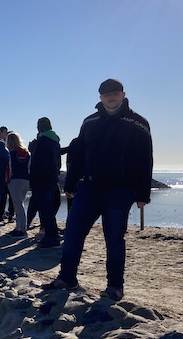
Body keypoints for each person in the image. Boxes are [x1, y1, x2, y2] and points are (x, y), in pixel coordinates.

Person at [44, 79, 153, 302]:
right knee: (73, 233)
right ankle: (67, 278)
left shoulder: (138, 123)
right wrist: (71, 184)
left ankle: (114, 287)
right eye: (106, 95)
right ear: (100, 97)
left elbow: (145, 160)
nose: (110, 98)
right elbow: (78, 156)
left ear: (123, 94)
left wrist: (143, 194)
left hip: (120, 190)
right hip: (89, 187)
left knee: (114, 238)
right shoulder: (89, 122)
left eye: (114, 93)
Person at [29, 117, 62, 248]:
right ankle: (51, 234)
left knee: (45, 209)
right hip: (52, 177)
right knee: (48, 207)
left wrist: (33, 179)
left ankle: (52, 236)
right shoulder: (54, 141)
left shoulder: (42, 141)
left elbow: (38, 163)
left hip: (42, 179)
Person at [6, 131, 31, 238]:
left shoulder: (10, 154)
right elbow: (30, 167)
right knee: (20, 203)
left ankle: (22, 229)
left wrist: (7, 180)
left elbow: (8, 168)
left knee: (18, 204)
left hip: (15, 180)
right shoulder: (26, 153)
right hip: (26, 180)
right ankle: (19, 227)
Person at [0, 126, 14, 223]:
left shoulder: (10, 144)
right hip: (3, 173)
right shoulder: (0, 144)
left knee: (11, 196)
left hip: (10, 173)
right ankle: (1, 213)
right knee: (2, 195)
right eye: (5, 132)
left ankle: (10, 214)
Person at [60, 137, 78, 213]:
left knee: (70, 202)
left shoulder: (75, 142)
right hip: (83, 178)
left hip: (72, 177)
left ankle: (70, 220)